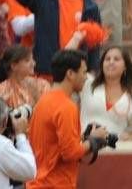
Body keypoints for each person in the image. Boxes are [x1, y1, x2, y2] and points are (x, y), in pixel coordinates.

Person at [29, 49, 109, 189]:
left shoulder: (43, 101)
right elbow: (70, 153)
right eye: (84, 72)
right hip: (56, 184)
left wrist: (84, 138)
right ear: (70, 74)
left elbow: (56, 146)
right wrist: (93, 140)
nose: (86, 77)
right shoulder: (66, 106)